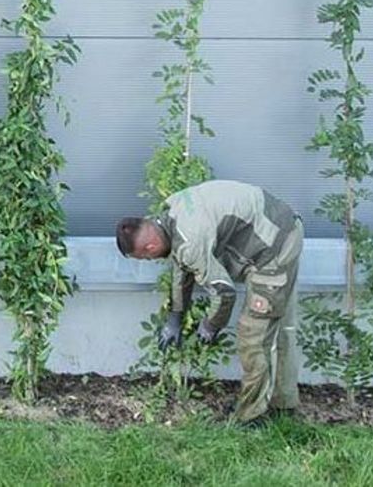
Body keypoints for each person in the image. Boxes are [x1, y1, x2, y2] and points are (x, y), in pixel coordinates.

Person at [117, 178, 303, 423]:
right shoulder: (169, 212)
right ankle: (282, 403)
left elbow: (224, 292)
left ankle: (252, 417)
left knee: (254, 335)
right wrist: (175, 317)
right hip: (270, 228)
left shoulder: (190, 239)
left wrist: (210, 325)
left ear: (150, 246)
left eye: (144, 258)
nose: (148, 261)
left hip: (275, 246)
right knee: (274, 328)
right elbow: (181, 266)